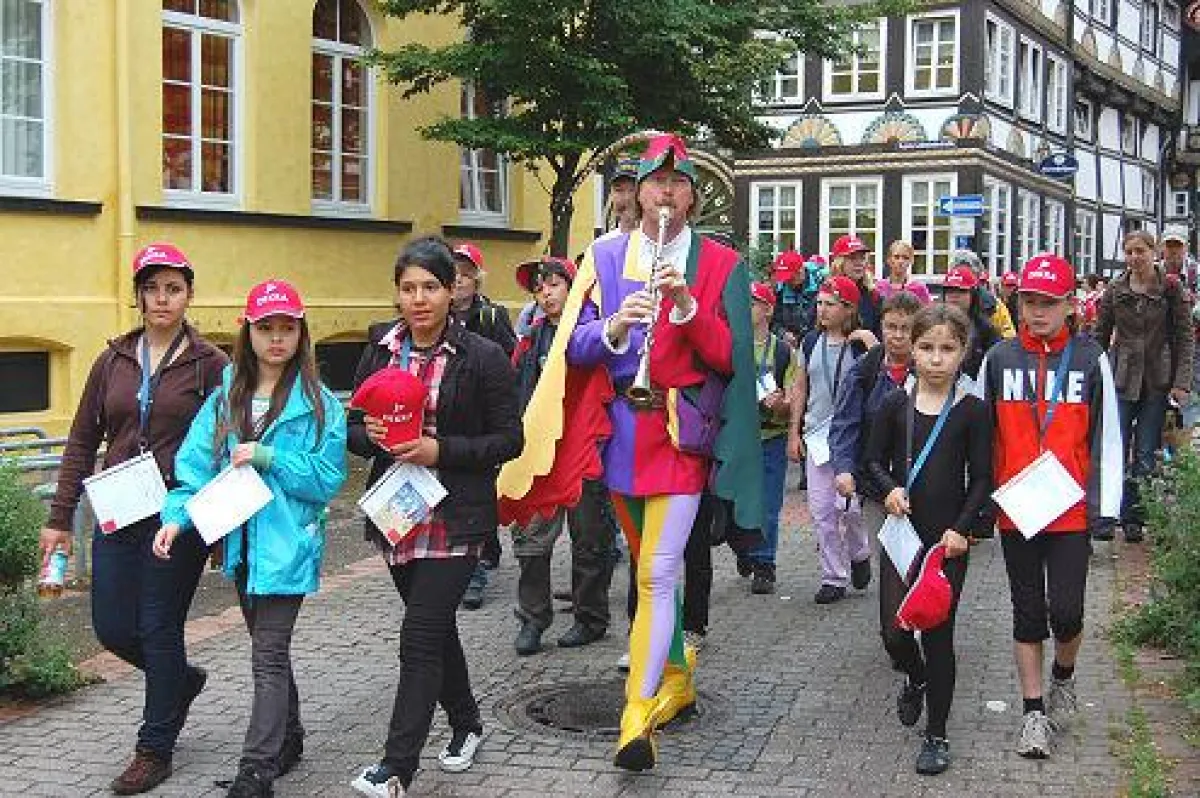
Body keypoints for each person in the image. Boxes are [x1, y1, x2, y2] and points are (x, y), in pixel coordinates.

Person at [497, 133, 763, 772]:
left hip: (680, 436)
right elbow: (574, 347)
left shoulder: (720, 262)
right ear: (637, 191)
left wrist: (687, 307)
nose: (665, 193)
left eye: (678, 183)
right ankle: (676, 677)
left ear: (691, 196)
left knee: (655, 573)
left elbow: (732, 357)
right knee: (650, 563)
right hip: (621, 434)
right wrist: (614, 327)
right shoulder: (606, 256)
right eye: (655, 181)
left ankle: (635, 716)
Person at [40, 243, 227, 795]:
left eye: (173, 288)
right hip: (120, 508)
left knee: (158, 625)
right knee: (112, 626)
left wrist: (216, 524)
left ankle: (154, 748)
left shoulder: (211, 364)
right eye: (152, 288)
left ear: (189, 294)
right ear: (139, 296)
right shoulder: (114, 359)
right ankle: (179, 683)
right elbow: (81, 439)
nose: (162, 298)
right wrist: (59, 516)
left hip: (178, 513)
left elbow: (226, 444)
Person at [153, 280, 347, 797]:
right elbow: (192, 469)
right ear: (249, 332)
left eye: (287, 328)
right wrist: (176, 518)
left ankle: (255, 771)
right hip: (240, 549)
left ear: (301, 333)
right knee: (272, 653)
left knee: (266, 653)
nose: (277, 339)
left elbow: (329, 478)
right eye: (266, 328)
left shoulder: (320, 403)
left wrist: (270, 457)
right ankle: (291, 738)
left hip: (288, 550)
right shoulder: (226, 398)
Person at [349, 237, 523, 797]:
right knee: (436, 628)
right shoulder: (379, 348)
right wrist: (368, 435)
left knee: (418, 636)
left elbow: (509, 439)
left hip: (454, 515)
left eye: (430, 287)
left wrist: (440, 450)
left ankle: (397, 767)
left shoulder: (483, 356)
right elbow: (351, 428)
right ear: (396, 294)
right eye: (408, 289)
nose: (419, 299)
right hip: (397, 512)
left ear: (452, 291)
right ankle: (467, 723)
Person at [976, 253, 1123, 760]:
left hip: (1070, 508)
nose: (1037, 312)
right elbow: (980, 435)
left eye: (1048, 303)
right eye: (1029, 302)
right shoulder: (997, 359)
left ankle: (1065, 675)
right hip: (1017, 507)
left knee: (1067, 611)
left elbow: (1108, 436)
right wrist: (979, 501)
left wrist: (1107, 506)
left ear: (1069, 307)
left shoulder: (1089, 358)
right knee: (1027, 612)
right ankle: (1033, 713)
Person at [864, 303, 992, 775]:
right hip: (901, 535)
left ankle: (936, 734)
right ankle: (914, 677)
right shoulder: (895, 404)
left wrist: (962, 528)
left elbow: (981, 477)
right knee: (895, 633)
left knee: (938, 637)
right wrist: (889, 488)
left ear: (962, 353)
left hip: (946, 543)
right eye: (927, 348)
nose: (936, 358)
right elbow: (871, 461)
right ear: (912, 351)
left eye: (947, 349)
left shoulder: (973, 412)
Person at [506, 256, 615, 655]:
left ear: (573, 289)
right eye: (540, 287)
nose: (546, 293)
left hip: (583, 449)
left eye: (554, 284)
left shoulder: (590, 332)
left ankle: (590, 618)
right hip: (538, 450)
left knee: (590, 537)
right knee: (532, 539)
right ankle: (532, 618)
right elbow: (515, 390)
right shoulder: (530, 339)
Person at [1094, 231, 1193, 542]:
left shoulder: (1170, 288)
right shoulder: (1115, 289)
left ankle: (1135, 515)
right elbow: (1101, 334)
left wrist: (1181, 382)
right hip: (1121, 377)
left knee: (1146, 452)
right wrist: (1092, 374)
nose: (1134, 257)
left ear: (1154, 252)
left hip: (1157, 379)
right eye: (1129, 252)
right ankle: (1107, 516)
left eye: (1140, 251)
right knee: (1113, 448)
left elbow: (1184, 337)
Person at [787, 275, 878, 604]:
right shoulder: (810, 342)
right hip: (816, 436)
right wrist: (793, 432)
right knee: (822, 511)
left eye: (830, 304)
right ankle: (833, 577)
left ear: (848, 309)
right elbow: (800, 387)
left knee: (850, 508)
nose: (822, 310)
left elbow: (884, 376)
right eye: (820, 303)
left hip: (850, 438)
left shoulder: (858, 345)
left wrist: (871, 344)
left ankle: (859, 552)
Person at [830, 290, 924, 578]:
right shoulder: (865, 369)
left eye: (905, 328)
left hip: (923, 480)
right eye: (890, 327)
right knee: (890, 559)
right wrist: (844, 468)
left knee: (921, 556)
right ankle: (895, 618)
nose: (897, 335)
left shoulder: (930, 369)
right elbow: (846, 421)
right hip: (876, 483)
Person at [450, 242, 516, 604]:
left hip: (481, 419)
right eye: (454, 273)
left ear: (477, 279)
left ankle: (476, 566)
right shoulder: (433, 315)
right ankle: (474, 563)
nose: (459, 280)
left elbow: (510, 361)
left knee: (480, 488)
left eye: (466, 274)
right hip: (447, 417)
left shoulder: (492, 316)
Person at [741, 281, 796, 594]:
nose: (746, 308)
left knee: (768, 503)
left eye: (753, 303)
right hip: (739, 436)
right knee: (737, 500)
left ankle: (764, 564)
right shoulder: (732, 343)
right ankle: (744, 547)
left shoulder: (783, 350)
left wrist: (783, 403)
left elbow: (793, 395)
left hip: (771, 436)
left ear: (768, 309)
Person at [939, 261, 1001, 384]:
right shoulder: (931, 324)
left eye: (961, 291)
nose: (954, 296)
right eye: (950, 291)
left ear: (973, 295)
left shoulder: (985, 329)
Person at [831, 234, 883, 337]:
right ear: (839, 263)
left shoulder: (874, 297)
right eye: (852, 258)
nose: (859, 263)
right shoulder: (826, 294)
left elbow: (881, 337)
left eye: (862, 258)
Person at [875, 240, 933, 305]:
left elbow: (929, 312)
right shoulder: (879, 287)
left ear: (911, 261)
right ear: (889, 260)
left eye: (905, 258)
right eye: (896, 257)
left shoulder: (919, 288)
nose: (901, 261)